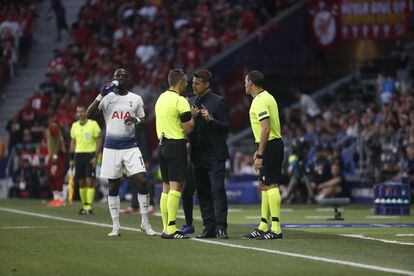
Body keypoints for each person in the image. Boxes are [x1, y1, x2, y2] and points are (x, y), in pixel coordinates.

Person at [86, 68, 155, 237]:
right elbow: (88, 114)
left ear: (128, 80)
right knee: (113, 185)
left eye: (125, 75)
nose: (122, 78)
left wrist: (136, 120)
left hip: (131, 147)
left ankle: (145, 223)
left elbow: (144, 120)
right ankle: (116, 226)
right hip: (111, 148)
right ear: (113, 79)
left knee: (142, 181)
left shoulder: (136, 99)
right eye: (118, 76)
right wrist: (100, 95)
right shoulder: (107, 98)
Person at [184, 69, 230, 239]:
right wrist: (193, 118)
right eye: (193, 83)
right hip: (197, 154)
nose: (193, 86)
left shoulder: (219, 101)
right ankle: (208, 226)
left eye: (197, 83)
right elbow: (188, 129)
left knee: (217, 189)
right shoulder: (191, 102)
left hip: (214, 153)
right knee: (202, 191)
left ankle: (221, 227)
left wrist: (211, 120)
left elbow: (226, 126)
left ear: (206, 84)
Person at [243, 70, 284, 240]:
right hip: (270, 144)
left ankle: (276, 228)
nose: (244, 85)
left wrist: (260, 154)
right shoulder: (268, 97)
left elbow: (266, 128)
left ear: (251, 83)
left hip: (270, 145)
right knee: (265, 185)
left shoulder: (259, 101)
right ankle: (263, 225)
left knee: (271, 185)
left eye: (245, 82)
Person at [155, 68, 194, 239]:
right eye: (186, 81)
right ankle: (171, 228)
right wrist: (193, 115)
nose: (187, 84)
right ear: (179, 82)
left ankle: (165, 227)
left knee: (166, 188)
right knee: (176, 187)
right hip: (176, 144)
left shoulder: (161, 98)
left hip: (161, 146)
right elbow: (189, 127)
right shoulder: (180, 101)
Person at [69, 105, 102, 215]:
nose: (80, 114)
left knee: (89, 181)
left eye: (82, 112)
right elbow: (73, 142)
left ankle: (89, 207)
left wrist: (95, 156)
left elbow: (99, 140)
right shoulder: (74, 126)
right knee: (81, 182)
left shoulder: (93, 124)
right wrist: (71, 158)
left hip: (89, 155)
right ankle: (84, 206)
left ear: (85, 112)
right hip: (78, 156)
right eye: (78, 112)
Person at [45, 120, 66, 207]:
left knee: (56, 176)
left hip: (57, 155)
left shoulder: (52, 127)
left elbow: (58, 140)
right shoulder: (51, 127)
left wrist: (55, 155)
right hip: (53, 155)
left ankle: (60, 199)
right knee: (51, 176)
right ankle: (56, 198)